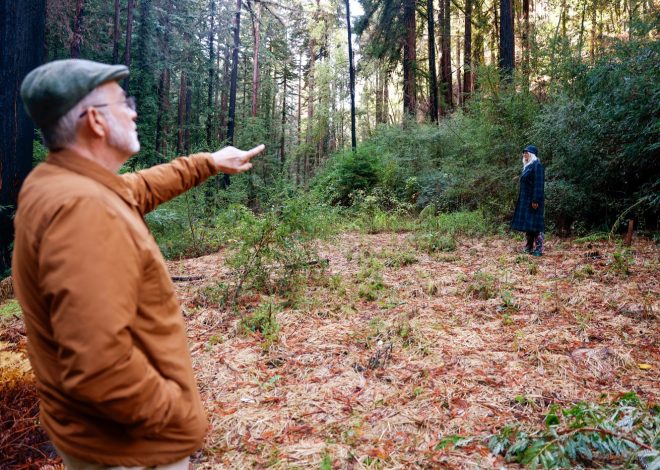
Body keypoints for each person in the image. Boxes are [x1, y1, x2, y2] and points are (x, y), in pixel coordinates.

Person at [12, 59, 265, 469]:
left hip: (102, 441)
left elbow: (139, 186)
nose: (133, 110)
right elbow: (99, 366)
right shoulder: (83, 209)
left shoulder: (62, 182)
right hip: (130, 451)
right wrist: (177, 415)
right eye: (122, 102)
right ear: (94, 120)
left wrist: (210, 162)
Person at [511, 145, 545, 256]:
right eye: (523, 153)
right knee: (528, 224)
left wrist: (535, 200)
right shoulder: (528, 166)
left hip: (534, 200)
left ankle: (539, 249)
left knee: (536, 225)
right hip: (526, 200)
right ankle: (529, 246)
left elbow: (539, 185)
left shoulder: (537, 166)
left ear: (531, 154)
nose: (524, 155)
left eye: (526, 153)